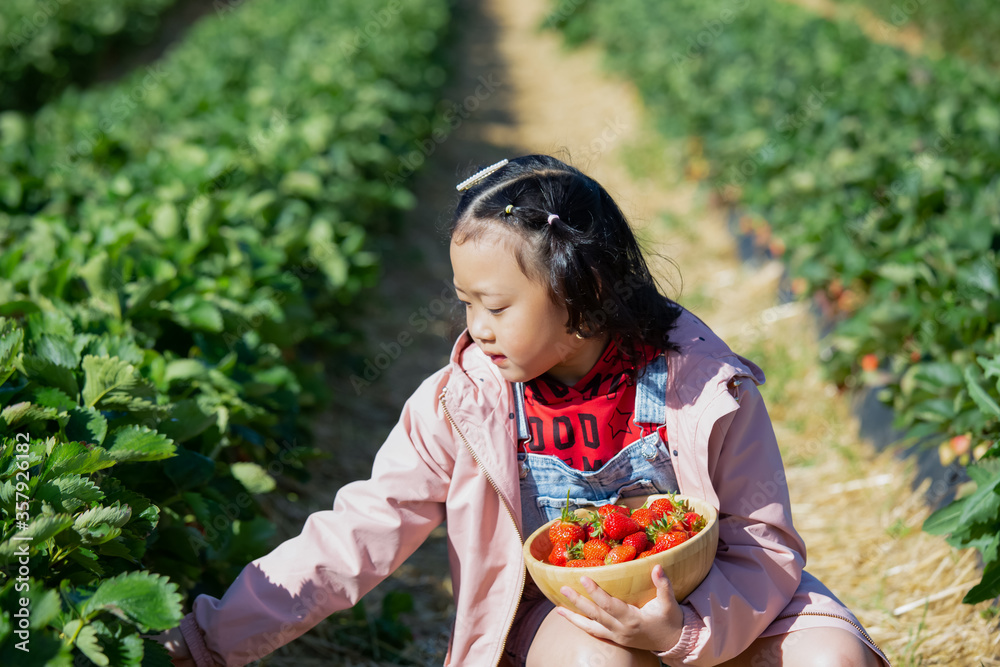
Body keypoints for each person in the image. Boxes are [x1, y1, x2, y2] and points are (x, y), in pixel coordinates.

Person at [157, 154, 889, 666]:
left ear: (585, 288)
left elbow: (763, 545)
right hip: (570, 621)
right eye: (466, 301)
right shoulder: (468, 400)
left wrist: (684, 631)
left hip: (721, 602)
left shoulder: (703, 386)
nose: (476, 326)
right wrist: (210, 638)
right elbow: (358, 530)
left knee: (834, 656)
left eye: (497, 305)